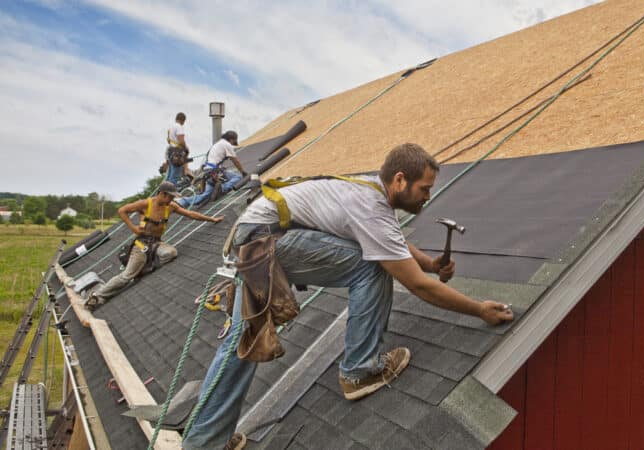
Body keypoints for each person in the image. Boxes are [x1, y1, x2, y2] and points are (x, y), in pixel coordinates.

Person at [181, 143, 513, 449]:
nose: (428, 196)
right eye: (424, 188)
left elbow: (389, 237)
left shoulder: (369, 192)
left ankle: (206, 440)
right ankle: (359, 370)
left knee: (243, 340)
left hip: (257, 236)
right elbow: (418, 285)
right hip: (266, 240)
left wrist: (428, 262)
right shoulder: (370, 206)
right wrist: (479, 309)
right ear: (400, 180)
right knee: (372, 266)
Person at [85, 182, 224, 308]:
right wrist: (133, 228)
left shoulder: (170, 207)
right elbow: (122, 210)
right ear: (162, 194)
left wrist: (212, 219)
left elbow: (191, 214)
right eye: (170, 197)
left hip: (156, 243)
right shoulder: (146, 204)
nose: (172, 200)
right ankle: (97, 297)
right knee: (126, 276)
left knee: (171, 253)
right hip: (141, 245)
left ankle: (145, 268)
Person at [177, 130, 246, 208]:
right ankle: (222, 188)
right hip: (215, 172)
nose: (232, 145)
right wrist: (243, 172)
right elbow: (235, 160)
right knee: (238, 177)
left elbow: (204, 166)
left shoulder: (216, 145)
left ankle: (182, 202)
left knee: (204, 196)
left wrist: (203, 182)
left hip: (208, 173)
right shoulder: (227, 144)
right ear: (231, 139)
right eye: (233, 142)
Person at [164, 112, 192, 185]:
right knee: (175, 176)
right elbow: (181, 141)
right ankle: (169, 194)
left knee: (169, 175)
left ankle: (163, 192)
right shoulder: (179, 127)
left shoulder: (171, 127)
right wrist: (186, 148)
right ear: (183, 120)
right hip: (176, 153)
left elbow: (169, 141)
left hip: (170, 151)